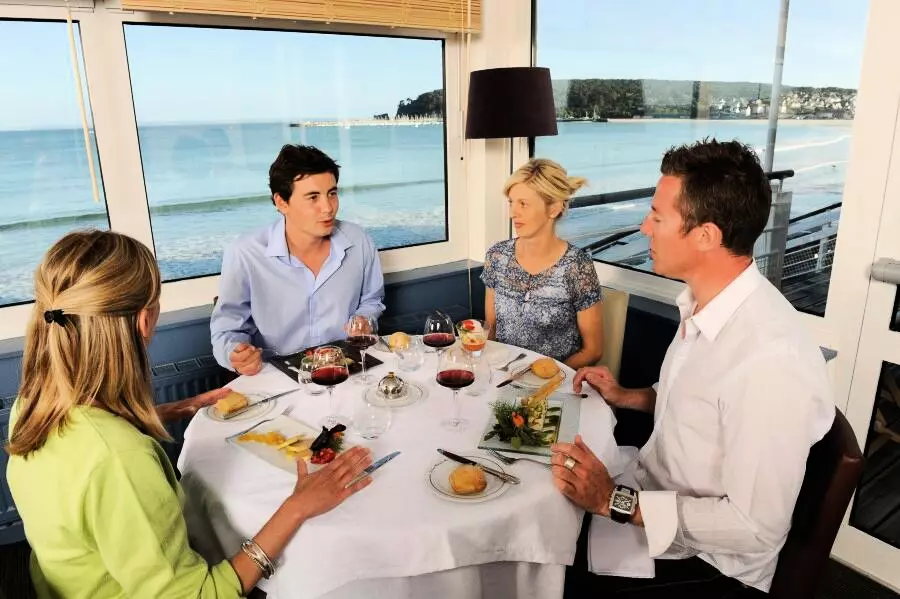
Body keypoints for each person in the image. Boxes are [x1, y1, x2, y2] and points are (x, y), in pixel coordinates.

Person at [6, 230, 373, 597]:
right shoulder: (121, 460)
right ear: (144, 321)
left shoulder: (33, 404)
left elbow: (86, 450)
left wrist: (168, 410)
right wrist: (297, 507)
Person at [552, 140, 835, 596]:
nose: (643, 227)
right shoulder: (705, 305)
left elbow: (754, 526)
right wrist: (628, 396)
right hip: (652, 495)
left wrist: (612, 501)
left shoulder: (770, 360)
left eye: (657, 217)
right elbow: (700, 408)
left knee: (551, 566)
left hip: (707, 564)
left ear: (705, 236)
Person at [211, 144, 385, 375]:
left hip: (346, 368)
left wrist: (364, 320)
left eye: (332, 193)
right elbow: (227, 329)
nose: (328, 208)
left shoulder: (359, 240)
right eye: (313, 197)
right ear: (282, 202)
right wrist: (236, 354)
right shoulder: (245, 253)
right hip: (278, 375)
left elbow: (372, 300)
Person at [481, 158, 604, 368]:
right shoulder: (497, 256)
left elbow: (593, 351)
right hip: (503, 375)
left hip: (556, 381)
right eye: (511, 203)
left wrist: (548, 375)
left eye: (523, 204)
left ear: (554, 208)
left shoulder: (577, 266)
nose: (512, 213)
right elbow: (490, 331)